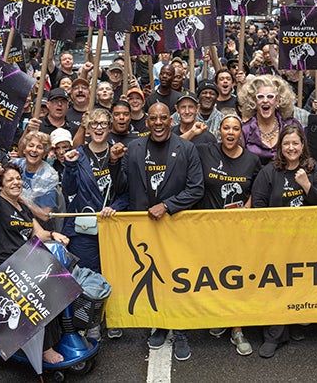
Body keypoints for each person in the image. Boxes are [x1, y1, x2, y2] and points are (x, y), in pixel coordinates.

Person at [122, 102, 204, 361]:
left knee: (177, 278)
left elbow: (196, 188)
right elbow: (121, 186)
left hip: (174, 227)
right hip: (143, 228)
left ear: (172, 120)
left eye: (163, 118)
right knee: (152, 277)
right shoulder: (133, 148)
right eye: (154, 118)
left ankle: (179, 330)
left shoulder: (187, 148)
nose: (158, 123)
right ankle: (159, 324)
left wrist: (167, 206)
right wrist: (113, 162)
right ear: (147, 122)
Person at [0, 162, 70, 364]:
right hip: (2, 268)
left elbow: (38, 233)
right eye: (9, 179)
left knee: (60, 281)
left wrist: (55, 234)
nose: (16, 182)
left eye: (18, 178)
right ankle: (45, 348)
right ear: (1, 186)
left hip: (23, 264)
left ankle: (59, 335)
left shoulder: (21, 207)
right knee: (44, 291)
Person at [250, 125, 317, 358]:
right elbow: (259, 206)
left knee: (298, 284)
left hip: (306, 241)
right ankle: (273, 335)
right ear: (279, 148)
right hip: (276, 242)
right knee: (275, 286)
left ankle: (291, 325)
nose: (291, 148)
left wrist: (306, 185)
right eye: (286, 144)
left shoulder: (314, 169)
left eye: (295, 143)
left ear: (302, 145)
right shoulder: (269, 172)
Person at [196, 113, 261, 355]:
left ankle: (237, 329)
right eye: (226, 128)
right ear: (219, 131)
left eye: (236, 128)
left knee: (238, 277)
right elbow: (178, 147)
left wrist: (248, 207)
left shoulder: (252, 160)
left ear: (241, 133)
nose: (231, 132)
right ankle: (219, 316)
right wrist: (192, 131)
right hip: (210, 228)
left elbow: (259, 186)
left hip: (238, 230)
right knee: (213, 275)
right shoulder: (205, 151)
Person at [61, 109, 128, 339]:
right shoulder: (77, 155)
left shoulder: (118, 153)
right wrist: (69, 167)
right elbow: (69, 190)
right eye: (94, 124)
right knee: (89, 275)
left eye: (103, 124)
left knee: (114, 272)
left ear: (109, 127)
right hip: (84, 229)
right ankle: (91, 323)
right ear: (87, 129)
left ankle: (114, 317)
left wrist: (115, 207)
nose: (98, 128)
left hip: (111, 226)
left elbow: (125, 192)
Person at [239, 75, 298, 165]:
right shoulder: (245, 130)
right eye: (260, 96)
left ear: (277, 101)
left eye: (270, 96)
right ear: (254, 101)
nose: (265, 100)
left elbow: (303, 157)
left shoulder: (291, 125)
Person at [11, 131, 60, 230]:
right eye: (31, 145)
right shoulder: (14, 165)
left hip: (37, 227)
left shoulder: (49, 176)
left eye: (39, 147)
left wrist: (22, 200)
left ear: (45, 153)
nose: (34, 150)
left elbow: (46, 215)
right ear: (24, 149)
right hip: (11, 221)